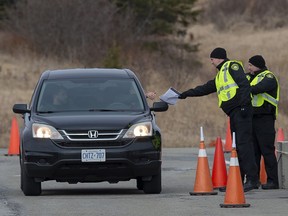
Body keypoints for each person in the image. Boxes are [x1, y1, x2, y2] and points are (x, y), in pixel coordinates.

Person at [178, 47, 259, 192]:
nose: (211, 62)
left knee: (244, 144)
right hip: (234, 113)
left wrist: (244, 106)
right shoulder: (221, 74)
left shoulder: (231, 66)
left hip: (241, 111)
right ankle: (238, 180)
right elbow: (205, 88)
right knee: (238, 146)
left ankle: (252, 180)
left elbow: (244, 85)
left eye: (212, 59)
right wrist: (184, 94)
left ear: (219, 58)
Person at [246, 55, 280, 189]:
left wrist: (243, 89)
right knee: (254, 151)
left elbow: (258, 89)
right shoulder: (249, 77)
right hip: (252, 118)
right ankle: (254, 181)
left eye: (250, 65)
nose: (248, 68)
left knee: (267, 151)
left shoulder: (269, 77)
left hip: (265, 118)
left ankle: (273, 181)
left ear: (257, 66)